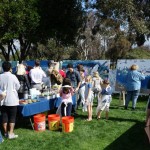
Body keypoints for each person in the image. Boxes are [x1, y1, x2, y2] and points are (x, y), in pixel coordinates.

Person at [0, 61, 20, 139]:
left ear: (3, 68)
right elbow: (18, 87)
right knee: (12, 117)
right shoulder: (13, 76)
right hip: (12, 99)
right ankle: (11, 133)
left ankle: (5, 132)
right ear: (10, 68)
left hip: (2, 99)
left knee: (4, 116)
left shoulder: (0, 76)